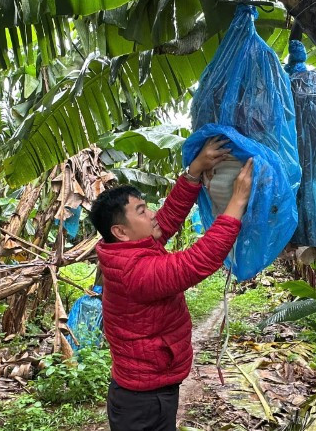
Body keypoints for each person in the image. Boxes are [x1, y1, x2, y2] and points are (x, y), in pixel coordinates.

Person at [89, 137, 253, 431]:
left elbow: (168, 217)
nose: (151, 214)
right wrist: (237, 199)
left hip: (149, 389)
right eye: (141, 211)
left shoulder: (127, 249)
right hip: (142, 401)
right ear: (120, 231)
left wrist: (194, 171)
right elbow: (195, 262)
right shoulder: (135, 272)